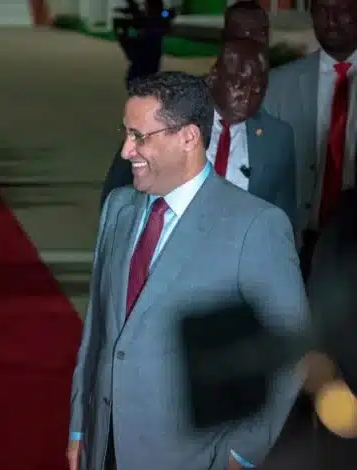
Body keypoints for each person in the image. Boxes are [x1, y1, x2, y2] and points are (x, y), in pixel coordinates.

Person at [67, 72, 308, 470]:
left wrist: (241, 453)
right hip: (103, 444)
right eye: (125, 133)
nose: (126, 150)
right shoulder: (118, 208)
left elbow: (291, 350)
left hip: (192, 458)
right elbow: (96, 331)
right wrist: (81, 427)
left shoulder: (255, 226)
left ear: (189, 137)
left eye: (140, 136)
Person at [101, 40, 297, 229]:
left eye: (258, 89)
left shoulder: (277, 137)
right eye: (238, 85)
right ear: (213, 77)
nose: (247, 97)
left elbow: (283, 216)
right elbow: (118, 191)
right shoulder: (171, 116)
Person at [262, 0, 357, 278]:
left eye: (342, 9)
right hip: (292, 245)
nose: (332, 18)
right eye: (322, 10)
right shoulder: (278, 85)